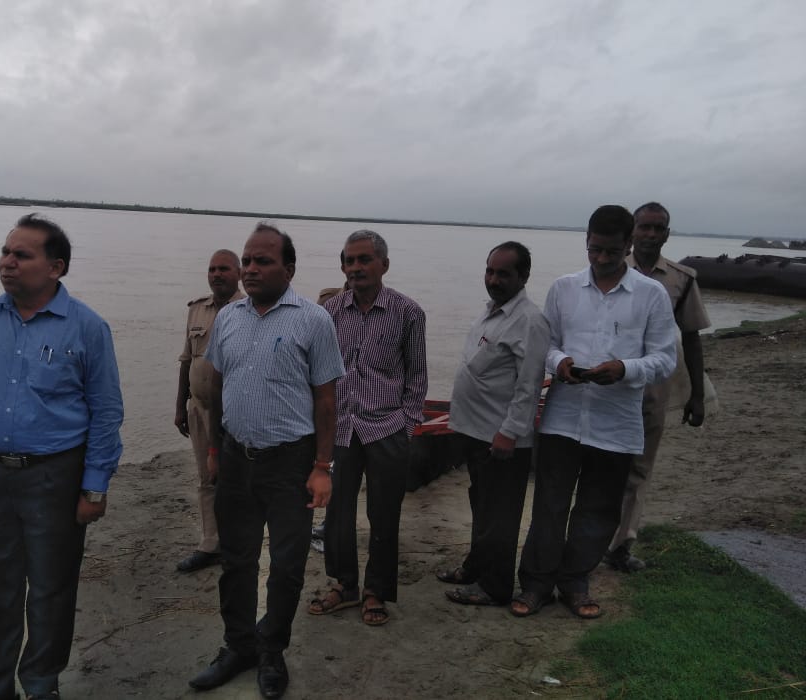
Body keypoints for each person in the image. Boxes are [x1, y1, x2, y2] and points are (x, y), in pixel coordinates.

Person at [0, 214, 125, 700]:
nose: (7, 262)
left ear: (56, 267)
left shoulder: (86, 327)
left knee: (51, 589)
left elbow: (106, 412)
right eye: (5, 252)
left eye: (22, 255)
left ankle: (41, 684)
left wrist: (95, 487)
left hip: (55, 478)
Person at [188, 223, 344, 699]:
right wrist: (215, 450)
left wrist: (322, 467)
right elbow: (218, 386)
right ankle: (238, 646)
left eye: (263, 261)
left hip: (290, 464)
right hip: (236, 457)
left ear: (288, 269)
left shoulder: (313, 320)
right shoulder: (229, 318)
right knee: (236, 560)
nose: (250, 269)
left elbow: (326, 400)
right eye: (247, 260)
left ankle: (272, 650)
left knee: (287, 565)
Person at [512, 205, 677, 620]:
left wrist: (625, 369)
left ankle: (575, 583)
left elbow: (664, 359)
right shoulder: (563, 288)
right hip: (562, 418)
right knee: (549, 505)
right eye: (594, 249)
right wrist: (561, 363)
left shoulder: (651, 294)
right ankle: (536, 584)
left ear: (628, 245)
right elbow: (546, 345)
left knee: (598, 509)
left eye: (611, 252)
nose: (602, 259)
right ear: (586, 241)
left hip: (616, 423)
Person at [307, 230, 427, 626]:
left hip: (387, 426)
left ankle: (376, 590)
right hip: (340, 429)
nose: (355, 268)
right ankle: (345, 585)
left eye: (364, 260)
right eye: (349, 260)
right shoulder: (329, 313)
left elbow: (417, 377)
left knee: (384, 514)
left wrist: (406, 426)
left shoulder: (408, 313)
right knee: (337, 513)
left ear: (384, 265)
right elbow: (318, 374)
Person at [437, 242, 550, 606]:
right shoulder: (492, 312)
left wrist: (509, 433)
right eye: (490, 271)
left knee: (500, 514)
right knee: (482, 506)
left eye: (504, 273)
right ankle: (475, 567)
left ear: (524, 276)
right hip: (475, 430)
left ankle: (495, 586)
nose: (494, 279)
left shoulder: (529, 321)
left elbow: (529, 385)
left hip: (501, 438)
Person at [604, 202, 711, 572]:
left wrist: (697, 395)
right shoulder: (609, 267)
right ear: (631, 231)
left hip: (654, 387)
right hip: (609, 384)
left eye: (658, 228)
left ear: (667, 233)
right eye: (644, 227)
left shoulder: (682, 279)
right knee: (601, 464)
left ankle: (621, 545)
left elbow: (692, 338)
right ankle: (588, 539)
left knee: (639, 467)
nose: (650, 234)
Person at [174, 249, 243, 573]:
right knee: (206, 478)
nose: (217, 274)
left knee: (234, 481)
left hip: (233, 413)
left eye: (224, 269)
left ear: (238, 273)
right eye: (212, 269)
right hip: (198, 408)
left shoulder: (248, 310)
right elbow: (186, 360)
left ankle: (236, 544)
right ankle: (210, 543)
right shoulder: (197, 310)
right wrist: (180, 406)